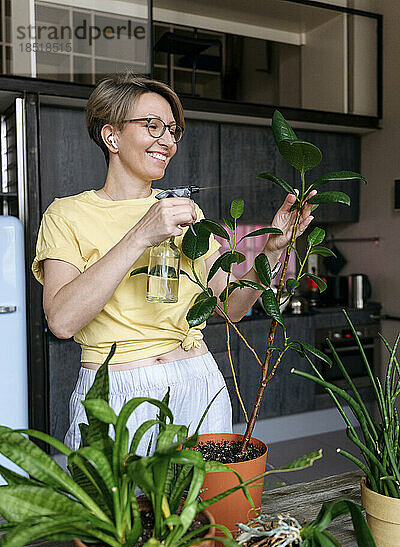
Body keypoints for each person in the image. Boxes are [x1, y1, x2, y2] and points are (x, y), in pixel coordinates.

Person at [32, 72, 315, 454]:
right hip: (117, 390)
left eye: (172, 129)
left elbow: (227, 308)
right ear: (112, 136)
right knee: (122, 513)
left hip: (198, 379)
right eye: (152, 126)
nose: (167, 141)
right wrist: (141, 234)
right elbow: (62, 321)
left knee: (207, 511)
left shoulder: (186, 212)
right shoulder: (67, 214)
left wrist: (272, 250)